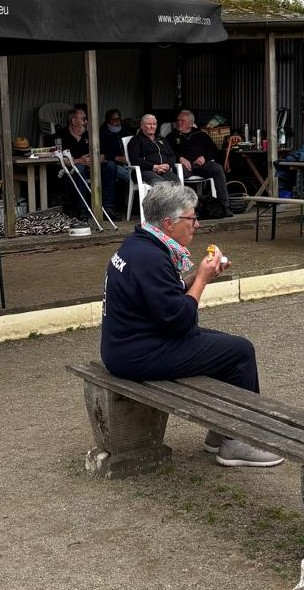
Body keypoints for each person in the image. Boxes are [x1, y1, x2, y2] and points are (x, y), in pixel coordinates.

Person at [100, 182, 283, 468]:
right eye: (192, 218)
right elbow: (180, 320)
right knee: (241, 351)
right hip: (138, 354)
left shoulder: (138, 245)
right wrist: (202, 280)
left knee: (225, 345)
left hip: (127, 345)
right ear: (168, 223)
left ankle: (221, 432)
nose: (197, 224)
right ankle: (239, 440)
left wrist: (197, 275)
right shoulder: (151, 258)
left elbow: (163, 298)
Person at [166, 109, 233, 217]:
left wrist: (204, 158)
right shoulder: (171, 136)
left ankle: (225, 206)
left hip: (201, 166)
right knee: (176, 175)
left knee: (217, 168)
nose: (179, 123)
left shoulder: (201, 135)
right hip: (182, 168)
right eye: (178, 120)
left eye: (182, 121)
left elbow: (214, 150)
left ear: (191, 123)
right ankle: (183, 209)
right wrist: (180, 158)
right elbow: (167, 152)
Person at [126, 114, 180, 186]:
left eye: (154, 124)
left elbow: (172, 155)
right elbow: (135, 159)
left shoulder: (161, 139)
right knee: (160, 185)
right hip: (145, 171)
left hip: (163, 170)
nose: (152, 126)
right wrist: (153, 167)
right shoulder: (136, 140)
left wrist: (168, 165)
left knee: (177, 183)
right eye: (149, 124)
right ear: (142, 126)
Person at [98, 108, 130, 220]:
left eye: (118, 119)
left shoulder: (124, 130)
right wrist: (117, 158)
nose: (116, 122)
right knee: (129, 176)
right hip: (110, 164)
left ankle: (136, 205)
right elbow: (102, 153)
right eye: (113, 119)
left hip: (126, 162)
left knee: (134, 172)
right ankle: (109, 208)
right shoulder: (103, 132)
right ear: (108, 121)